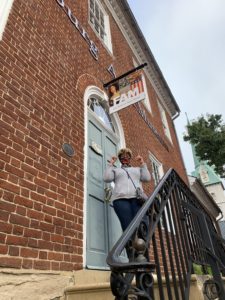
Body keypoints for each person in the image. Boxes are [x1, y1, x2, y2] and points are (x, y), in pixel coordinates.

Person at [103, 148, 151, 232]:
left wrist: (142, 163)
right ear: (120, 158)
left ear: (130, 158)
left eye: (127, 156)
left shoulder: (137, 169)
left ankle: (143, 244)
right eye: (122, 156)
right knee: (127, 227)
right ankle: (130, 245)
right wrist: (111, 164)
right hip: (120, 200)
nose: (125, 158)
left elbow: (147, 178)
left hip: (137, 199)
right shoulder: (116, 170)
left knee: (141, 226)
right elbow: (107, 178)